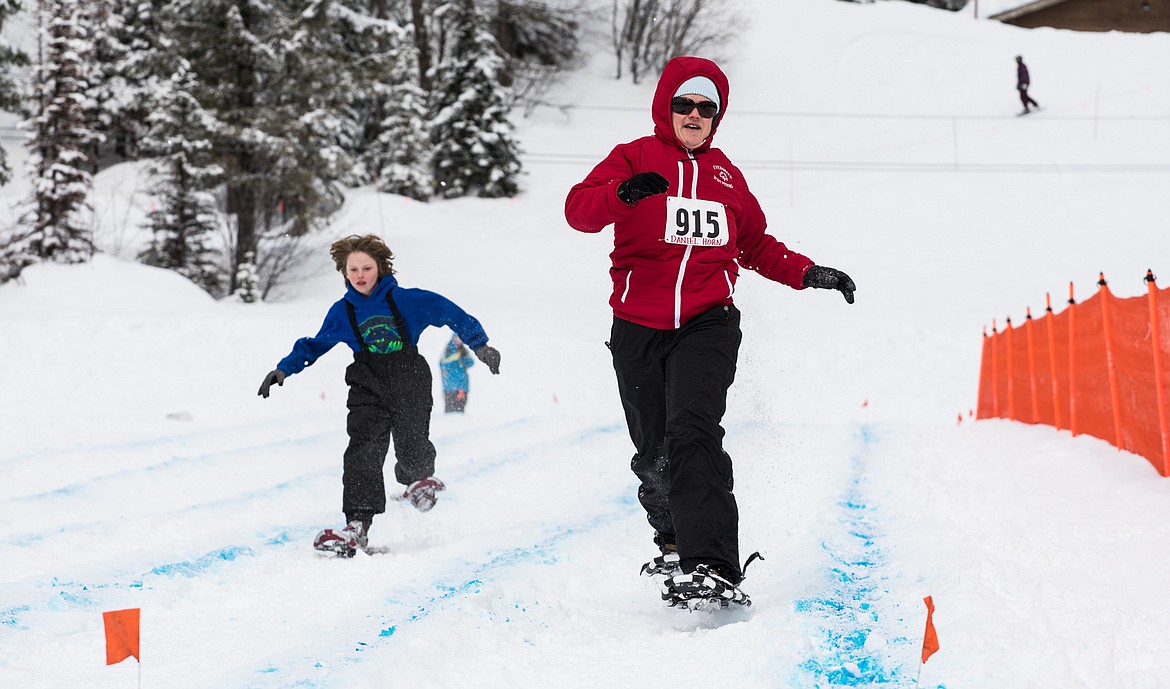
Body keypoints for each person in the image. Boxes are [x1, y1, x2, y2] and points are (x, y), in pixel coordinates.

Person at [563, 56, 856, 608]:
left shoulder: (727, 176)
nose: (694, 115)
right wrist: (620, 195)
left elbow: (756, 246)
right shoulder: (632, 158)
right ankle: (674, 541)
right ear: (665, 106)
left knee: (693, 431)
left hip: (708, 320)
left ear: (717, 116)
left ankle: (713, 566)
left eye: (707, 107)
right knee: (653, 453)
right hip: (636, 325)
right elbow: (578, 211)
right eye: (684, 104)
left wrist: (807, 272)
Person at [257, 234, 501, 556]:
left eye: (366, 268)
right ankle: (357, 527)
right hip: (366, 382)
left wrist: (480, 344)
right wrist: (283, 370)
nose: (359, 275)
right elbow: (315, 345)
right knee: (362, 451)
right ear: (344, 273)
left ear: (381, 268)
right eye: (352, 269)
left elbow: (449, 312)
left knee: (412, 436)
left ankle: (417, 483)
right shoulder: (342, 311)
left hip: (409, 376)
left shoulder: (408, 300)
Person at [439, 334, 475, 413]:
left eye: (461, 338)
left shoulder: (463, 351)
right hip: (449, 386)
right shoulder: (447, 350)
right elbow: (442, 364)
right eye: (457, 338)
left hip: (462, 386)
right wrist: (456, 359)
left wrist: (463, 358)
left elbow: (471, 363)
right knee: (450, 410)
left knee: (460, 410)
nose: (459, 340)